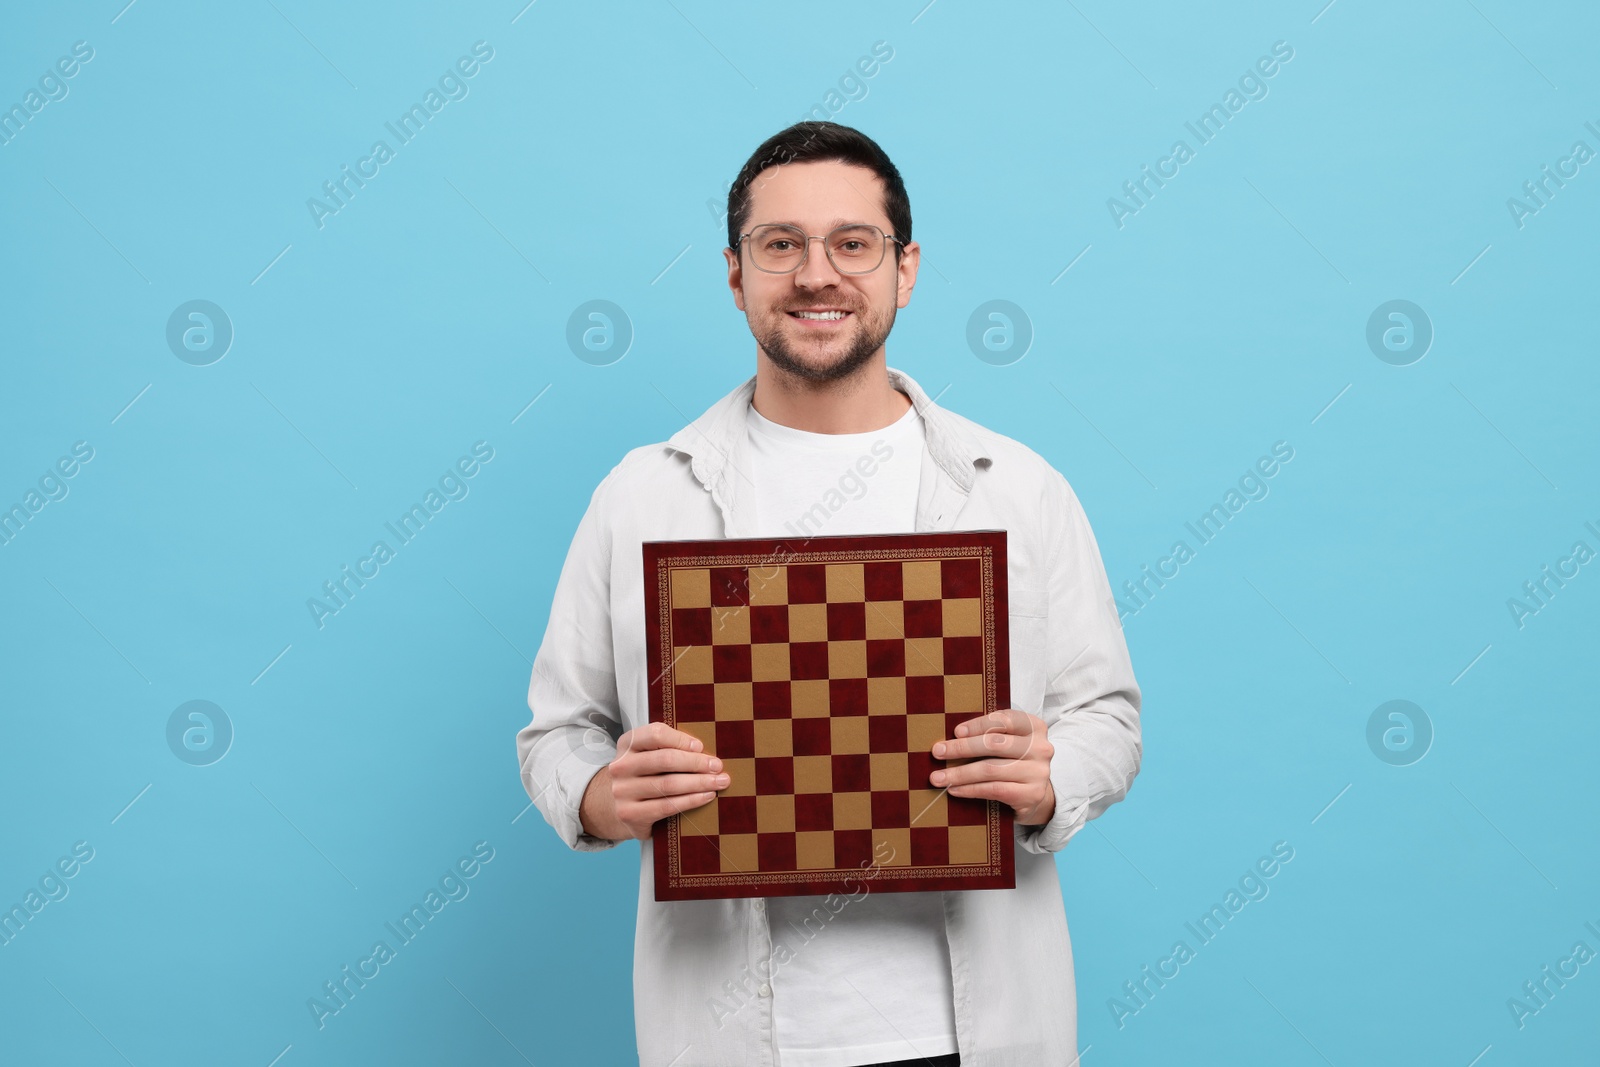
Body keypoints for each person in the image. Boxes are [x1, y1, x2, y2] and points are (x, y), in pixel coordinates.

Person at [517, 121, 1142, 1067]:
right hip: (735, 1034)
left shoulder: (1018, 486)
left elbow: (1107, 715)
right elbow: (558, 730)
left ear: (906, 267)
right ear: (736, 273)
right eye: (782, 246)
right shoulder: (642, 494)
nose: (818, 274)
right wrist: (603, 795)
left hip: (972, 1033)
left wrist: (1051, 780)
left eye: (853, 244)